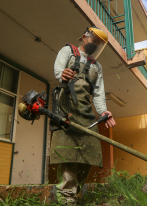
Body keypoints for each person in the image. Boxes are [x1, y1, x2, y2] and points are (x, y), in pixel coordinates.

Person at [50, 26, 116, 204]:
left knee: (88, 153)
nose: (94, 45)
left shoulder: (97, 66)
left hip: (86, 114)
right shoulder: (68, 51)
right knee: (68, 155)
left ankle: (75, 194)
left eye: (98, 44)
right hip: (66, 110)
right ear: (83, 37)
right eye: (93, 41)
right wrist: (62, 74)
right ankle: (66, 199)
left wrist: (103, 111)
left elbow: (98, 93)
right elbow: (58, 70)